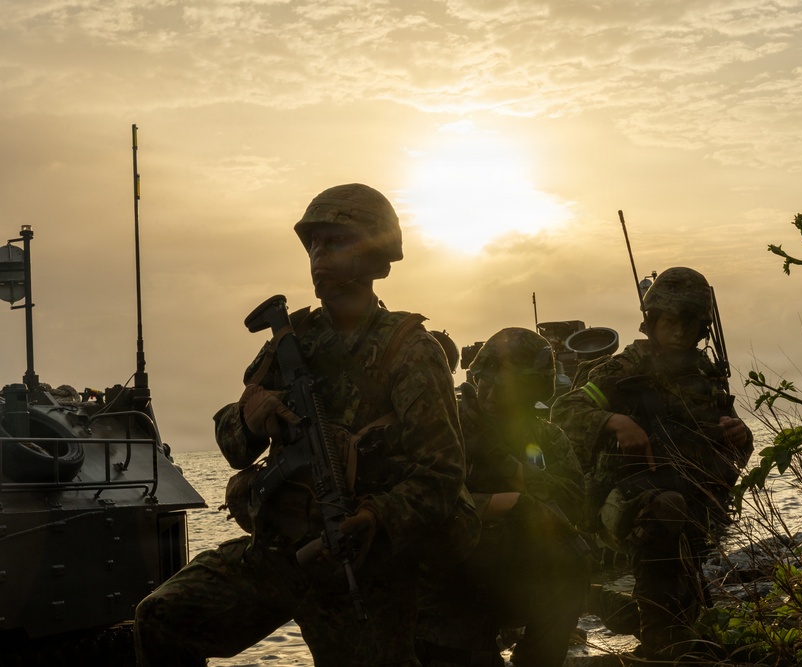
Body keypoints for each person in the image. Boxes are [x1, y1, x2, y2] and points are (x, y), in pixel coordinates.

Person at [134, 183, 474, 667]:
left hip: (361, 562)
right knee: (161, 618)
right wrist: (249, 420)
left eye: (335, 242)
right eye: (314, 244)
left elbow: (441, 475)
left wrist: (375, 516)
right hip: (280, 551)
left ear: (376, 255)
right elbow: (233, 446)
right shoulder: (289, 341)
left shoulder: (411, 351)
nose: (318, 255)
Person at [551, 267, 753, 661]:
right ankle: (659, 644)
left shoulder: (706, 377)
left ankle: (653, 625)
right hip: (626, 502)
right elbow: (565, 409)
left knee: (688, 593)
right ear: (653, 321)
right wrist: (615, 421)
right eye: (669, 321)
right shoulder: (627, 367)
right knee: (666, 515)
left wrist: (740, 436)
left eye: (687, 322)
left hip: (692, 507)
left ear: (701, 327)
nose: (678, 331)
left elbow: (734, 454)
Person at [417, 327, 590, 667]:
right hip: (451, 584)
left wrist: (511, 468)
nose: (493, 395)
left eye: (507, 388)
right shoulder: (447, 428)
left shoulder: (544, 436)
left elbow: (572, 499)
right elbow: (426, 499)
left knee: (574, 560)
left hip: (517, 574)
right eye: (487, 382)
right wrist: (502, 503)